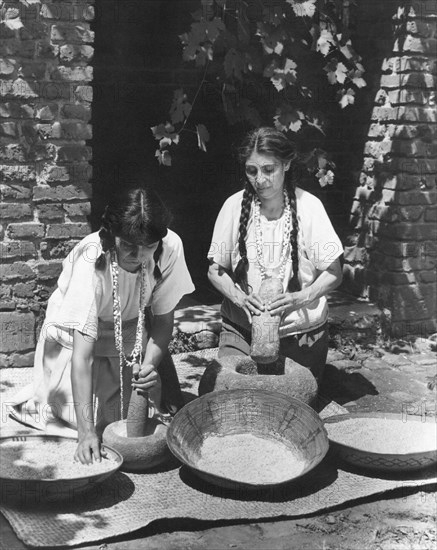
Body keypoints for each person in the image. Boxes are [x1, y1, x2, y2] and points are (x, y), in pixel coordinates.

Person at [11, 185, 195, 464]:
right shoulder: (92, 258)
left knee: (135, 415)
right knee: (91, 421)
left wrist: (148, 366)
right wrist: (86, 434)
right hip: (74, 342)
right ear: (111, 236)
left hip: (129, 336)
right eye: (129, 246)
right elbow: (82, 358)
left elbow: (163, 320)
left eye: (148, 247)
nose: (139, 256)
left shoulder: (170, 246)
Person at [207, 127, 343, 382]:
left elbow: (334, 273)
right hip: (241, 331)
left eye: (269, 169)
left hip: (300, 335)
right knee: (230, 399)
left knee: (288, 409)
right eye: (252, 170)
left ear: (287, 164)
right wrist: (240, 299)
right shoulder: (233, 207)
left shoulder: (309, 207)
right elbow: (215, 271)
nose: (260, 179)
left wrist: (301, 297)